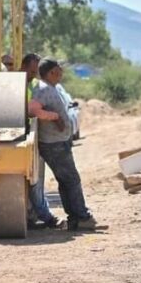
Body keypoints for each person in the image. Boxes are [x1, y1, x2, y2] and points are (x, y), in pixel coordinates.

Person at [32, 58, 97, 231]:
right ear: (52, 72)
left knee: (66, 180)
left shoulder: (49, 88)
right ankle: (82, 216)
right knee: (72, 179)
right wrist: (54, 117)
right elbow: (33, 109)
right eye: (59, 70)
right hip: (54, 144)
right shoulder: (43, 89)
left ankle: (75, 217)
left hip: (57, 142)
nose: (62, 73)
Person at [22, 53, 61, 229]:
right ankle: (45, 216)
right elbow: (31, 110)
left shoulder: (33, 86)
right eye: (32, 71)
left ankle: (34, 215)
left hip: (30, 135)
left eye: (36, 72)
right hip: (24, 135)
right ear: (23, 67)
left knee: (35, 180)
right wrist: (54, 116)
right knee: (34, 181)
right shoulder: (17, 85)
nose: (34, 75)